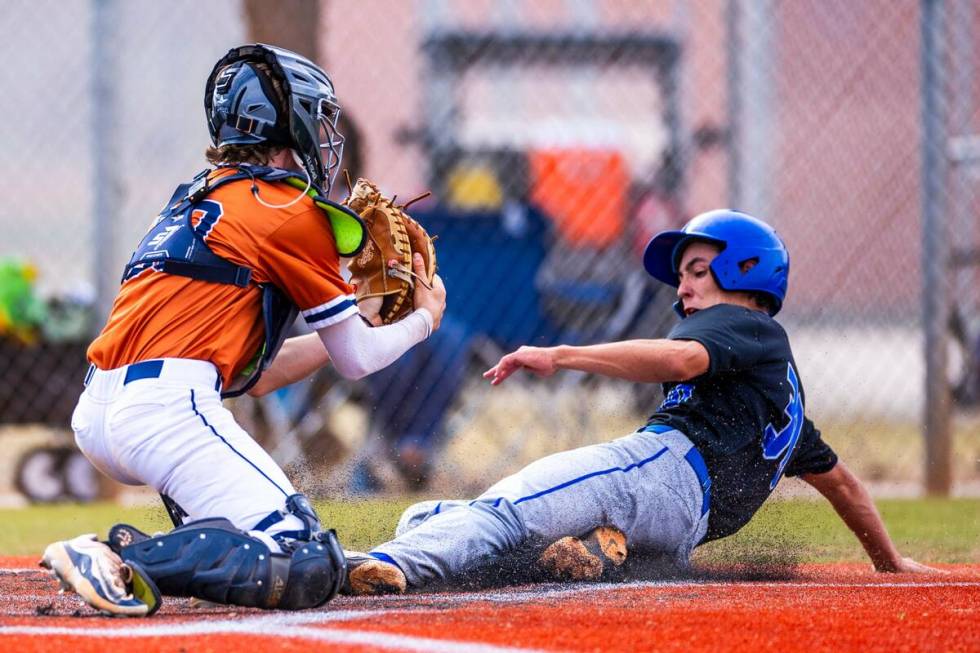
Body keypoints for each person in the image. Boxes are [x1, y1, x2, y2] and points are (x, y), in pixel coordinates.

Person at [39, 43, 446, 616]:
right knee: (309, 565)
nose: (326, 140)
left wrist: (366, 319)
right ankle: (118, 557)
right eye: (318, 120)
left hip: (106, 410)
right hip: (168, 412)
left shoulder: (193, 198)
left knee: (287, 544)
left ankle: (240, 539)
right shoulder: (286, 208)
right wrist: (424, 321)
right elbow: (357, 360)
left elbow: (253, 376)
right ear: (292, 124)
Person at [342, 209, 937, 596]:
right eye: (682, 275)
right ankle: (601, 548)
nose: (683, 287)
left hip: (655, 473)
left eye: (699, 270)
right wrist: (888, 563)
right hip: (680, 534)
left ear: (747, 272)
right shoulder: (779, 395)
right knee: (446, 525)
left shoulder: (743, 325)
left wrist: (562, 355)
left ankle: (375, 563)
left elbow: (679, 361)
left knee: (502, 515)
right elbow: (845, 485)